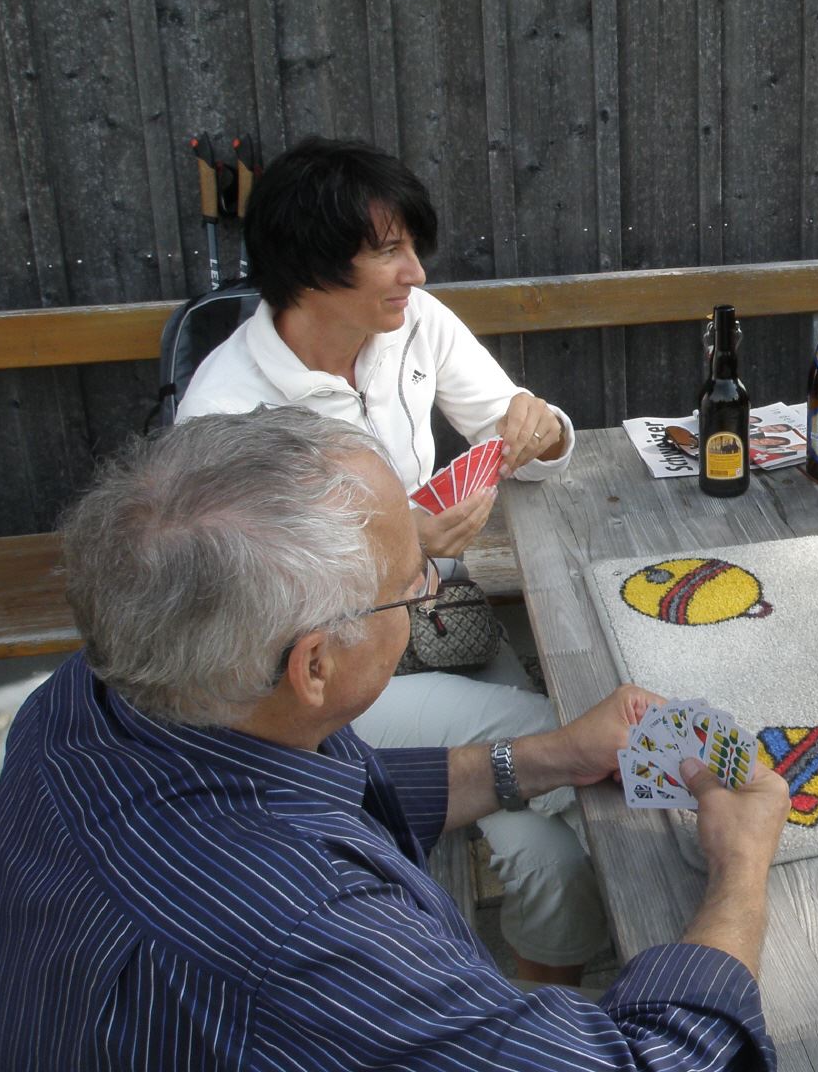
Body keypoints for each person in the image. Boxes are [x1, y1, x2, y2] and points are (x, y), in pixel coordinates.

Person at [0, 409, 791, 1068]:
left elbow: (337, 800)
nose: (430, 593)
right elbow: (658, 1064)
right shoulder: (308, 937)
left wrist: (546, 757)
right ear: (315, 666)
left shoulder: (88, 696)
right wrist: (740, 867)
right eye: (412, 588)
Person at [178, 137, 594, 983]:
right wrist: (401, 550)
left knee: (556, 855)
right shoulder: (224, 414)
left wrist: (543, 430)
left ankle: (539, 1005)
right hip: (327, 682)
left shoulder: (414, 325)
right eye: (389, 252)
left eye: (413, 247)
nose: (417, 273)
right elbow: (250, 631)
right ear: (310, 266)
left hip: (442, 623)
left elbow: (528, 440)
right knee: (568, 741)